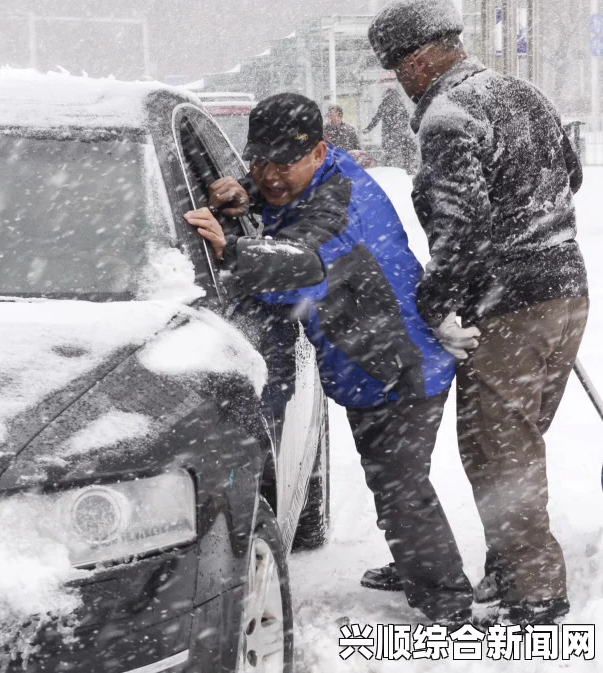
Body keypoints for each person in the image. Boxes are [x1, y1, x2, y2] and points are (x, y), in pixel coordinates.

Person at [184, 92, 474, 625]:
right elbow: (286, 202)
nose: (270, 174)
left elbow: (301, 259)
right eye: (259, 161)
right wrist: (245, 193)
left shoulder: (341, 206)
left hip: (397, 365)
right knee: (396, 484)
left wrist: (231, 249)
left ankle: (448, 602)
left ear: (318, 152)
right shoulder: (324, 173)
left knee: (402, 490)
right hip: (376, 360)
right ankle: (419, 563)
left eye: (283, 162)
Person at [368, 0, 589, 625]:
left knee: (500, 452)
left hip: (511, 308)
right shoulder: (520, 92)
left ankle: (534, 596)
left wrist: (437, 306)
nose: (400, 79)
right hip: (566, 293)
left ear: (419, 56)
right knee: (516, 440)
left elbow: (458, 233)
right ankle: (509, 565)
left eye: (397, 67)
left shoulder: (447, 116)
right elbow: (568, 177)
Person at [363, 88, 417, 172]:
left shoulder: (384, 104)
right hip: (401, 133)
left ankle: (389, 168)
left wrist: (368, 129)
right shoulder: (400, 104)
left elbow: (376, 118)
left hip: (388, 134)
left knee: (389, 153)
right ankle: (407, 168)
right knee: (405, 152)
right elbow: (406, 119)